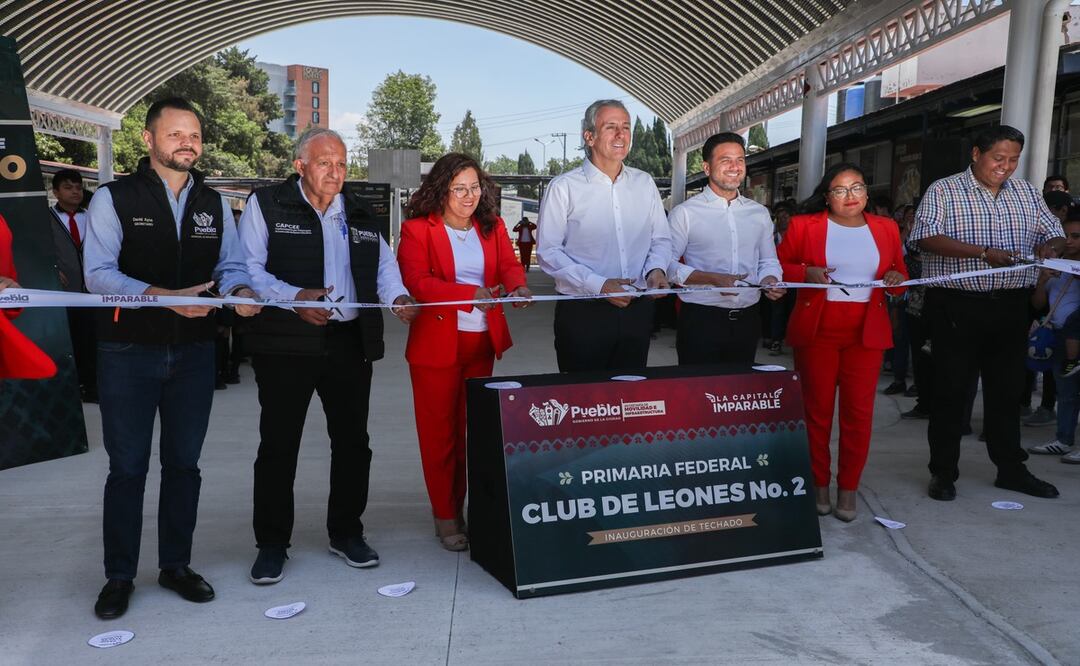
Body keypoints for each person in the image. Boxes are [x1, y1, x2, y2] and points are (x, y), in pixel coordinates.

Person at [83, 97, 260, 620]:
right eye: (176, 134)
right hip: (126, 352)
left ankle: (175, 566)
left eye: (194, 135)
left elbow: (230, 266)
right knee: (127, 468)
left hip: (195, 352)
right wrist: (164, 297)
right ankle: (119, 576)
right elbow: (98, 275)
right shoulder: (113, 198)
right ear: (148, 139)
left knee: (184, 465)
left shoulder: (213, 202)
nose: (188, 143)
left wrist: (241, 291)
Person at [238, 128, 416, 585]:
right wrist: (295, 298)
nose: (335, 172)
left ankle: (347, 532)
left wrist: (397, 298)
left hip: (348, 342)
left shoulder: (360, 210)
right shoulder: (267, 205)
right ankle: (272, 544)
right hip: (285, 343)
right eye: (324, 163)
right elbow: (249, 270)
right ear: (300, 166)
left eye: (341, 163)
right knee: (279, 444)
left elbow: (384, 268)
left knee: (353, 443)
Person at [909, 125, 1064, 502]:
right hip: (956, 306)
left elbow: (1055, 231)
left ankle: (1011, 469)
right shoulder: (945, 190)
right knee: (951, 391)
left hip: (1011, 306)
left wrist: (1052, 245)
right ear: (976, 154)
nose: (1005, 166)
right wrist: (981, 253)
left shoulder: (1027, 192)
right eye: (998, 158)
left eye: (1013, 160)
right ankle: (943, 472)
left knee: (1007, 393)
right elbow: (924, 237)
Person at [398, 153, 532, 551]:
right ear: (441, 190)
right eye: (459, 188)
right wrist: (468, 294)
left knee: (475, 434)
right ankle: (446, 514)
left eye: (475, 187)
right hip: (435, 349)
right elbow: (418, 282)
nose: (469, 196)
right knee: (440, 437)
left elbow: (508, 265)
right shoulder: (417, 230)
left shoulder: (492, 226)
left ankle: (474, 509)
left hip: (481, 345)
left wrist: (519, 287)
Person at [777, 163, 907, 521]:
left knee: (858, 416)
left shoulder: (886, 227)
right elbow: (778, 266)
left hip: (866, 332)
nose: (850, 196)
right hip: (818, 330)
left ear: (866, 192)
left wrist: (895, 277)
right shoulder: (804, 226)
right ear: (826, 195)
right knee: (816, 412)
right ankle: (819, 484)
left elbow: (899, 275)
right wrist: (805, 272)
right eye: (840, 189)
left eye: (857, 187)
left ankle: (848, 488)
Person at [537, 99, 671, 372]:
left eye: (626, 127)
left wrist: (656, 269)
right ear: (589, 137)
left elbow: (660, 239)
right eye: (611, 127)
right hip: (584, 313)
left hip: (636, 310)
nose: (621, 134)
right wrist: (598, 285)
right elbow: (548, 252)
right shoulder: (564, 187)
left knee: (631, 390)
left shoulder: (644, 183)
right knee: (584, 394)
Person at [667, 132, 784, 365]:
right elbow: (665, 265)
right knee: (699, 386)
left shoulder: (759, 213)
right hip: (701, 320)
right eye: (725, 160)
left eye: (740, 160)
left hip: (748, 319)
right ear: (707, 167)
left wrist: (770, 279)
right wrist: (710, 278)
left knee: (740, 386)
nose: (735, 167)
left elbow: (768, 261)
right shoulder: (686, 213)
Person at [1028, 214, 1080, 464]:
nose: (1069, 241)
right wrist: (1043, 280)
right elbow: (1038, 303)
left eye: (1076, 236)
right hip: (1059, 335)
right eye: (1066, 235)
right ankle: (1063, 440)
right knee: (1066, 392)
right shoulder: (1055, 264)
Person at [49, 168, 97, 401]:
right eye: (68, 187)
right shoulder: (46, 219)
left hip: (92, 292)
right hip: (62, 293)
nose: (75, 192)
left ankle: (91, 386)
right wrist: (51, 270)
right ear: (55, 192)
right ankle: (69, 388)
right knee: (68, 342)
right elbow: (38, 249)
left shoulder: (93, 218)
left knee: (91, 340)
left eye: (78, 187)